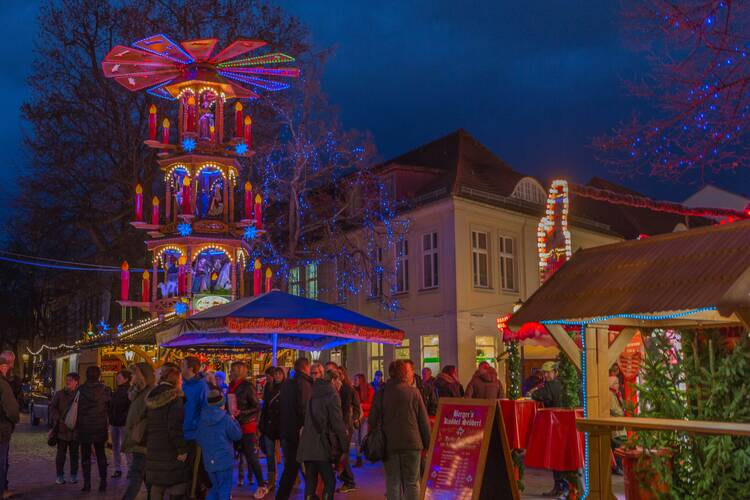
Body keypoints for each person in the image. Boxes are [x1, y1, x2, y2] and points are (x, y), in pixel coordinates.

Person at [369, 360, 431, 500]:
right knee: (412, 482)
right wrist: (428, 444)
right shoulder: (413, 393)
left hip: (389, 444)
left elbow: (372, 420)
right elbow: (423, 421)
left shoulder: (381, 394)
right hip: (412, 444)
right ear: (404, 373)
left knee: (393, 482)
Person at [297, 368, 348, 500]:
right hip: (321, 444)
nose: (340, 384)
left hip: (307, 444)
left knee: (310, 481)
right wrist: (344, 445)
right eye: (338, 380)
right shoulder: (332, 395)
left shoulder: (313, 392)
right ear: (332, 380)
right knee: (330, 481)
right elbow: (338, 424)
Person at [145, 362, 189, 499]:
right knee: (178, 482)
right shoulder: (175, 399)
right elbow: (174, 427)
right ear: (176, 379)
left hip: (154, 447)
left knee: (157, 484)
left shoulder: (151, 396)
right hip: (169, 448)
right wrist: (182, 449)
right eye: (180, 378)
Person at [228, 361, 268, 497]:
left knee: (251, 456)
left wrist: (241, 412)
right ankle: (226, 488)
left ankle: (261, 485)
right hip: (234, 424)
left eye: (233, 370)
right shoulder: (232, 385)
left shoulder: (247, 386)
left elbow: (256, 407)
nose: (230, 372)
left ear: (239, 371)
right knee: (231, 455)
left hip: (246, 425)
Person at [276, 357, 314, 500]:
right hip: (298, 433)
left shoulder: (287, 384)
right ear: (306, 368)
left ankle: (283, 495)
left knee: (291, 468)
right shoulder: (304, 385)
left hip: (287, 431)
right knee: (302, 469)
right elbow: (304, 410)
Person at [196, 387, 243, 500]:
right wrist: (234, 421)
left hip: (209, 460)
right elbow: (237, 435)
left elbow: (199, 438)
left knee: (215, 488)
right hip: (224, 460)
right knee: (224, 489)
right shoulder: (226, 419)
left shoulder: (202, 419)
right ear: (221, 404)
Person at [529, 361, 566, 497]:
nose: (545, 375)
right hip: (563, 426)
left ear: (555, 373)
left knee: (556, 457)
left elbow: (542, 395)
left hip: (555, 426)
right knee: (561, 457)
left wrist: (533, 393)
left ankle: (559, 486)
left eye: (548, 372)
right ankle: (564, 486)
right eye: (544, 372)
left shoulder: (551, 385)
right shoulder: (563, 384)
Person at [122, 362, 156, 500]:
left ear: (142, 375)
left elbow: (149, 418)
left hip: (142, 441)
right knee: (147, 477)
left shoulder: (149, 393)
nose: (132, 376)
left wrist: (142, 436)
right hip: (138, 439)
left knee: (136, 476)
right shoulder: (138, 392)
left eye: (135, 373)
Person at [76, 365, 112, 492]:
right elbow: (109, 408)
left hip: (84, 427)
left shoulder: (80, 390)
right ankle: (103, 482)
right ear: (99, 376)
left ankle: (87, 484)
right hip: (99, 427)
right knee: (101, 455)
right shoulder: (105, 390)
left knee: (85, 457)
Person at [180, 356, 209, 498]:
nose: (180, 368)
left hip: (194, 434)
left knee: (194, 471)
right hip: (183, 432)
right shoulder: (181, 384)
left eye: (183, 365)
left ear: (191, 368)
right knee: (185, 471)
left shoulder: (201, 386)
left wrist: (195, 424)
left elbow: (206, 408)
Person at [330, 364, 359, 494]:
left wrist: (353, 419)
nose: (338, 377)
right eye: (336, 375)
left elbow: (351, 407)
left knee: (343, 454)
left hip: (345, 426)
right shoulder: (336, 389)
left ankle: (349, 481)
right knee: (340, 453)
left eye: (340, 374)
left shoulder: (347, 389)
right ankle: (345, 478)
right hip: (340, 425)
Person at [49, 372, 79, 485]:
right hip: (62, 430)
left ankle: (74, 475)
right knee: (61, 454)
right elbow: (52, 408)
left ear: (76, 382)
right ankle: (60, 476)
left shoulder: (80, 395)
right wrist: (59, 419)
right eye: (67, 379)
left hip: (75, 430)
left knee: (74, 454)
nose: (67, 381)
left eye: (70, 380)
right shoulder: (59, 394)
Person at [259, 367, 284, 491]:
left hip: (282, 425)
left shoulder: (287, 388)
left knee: (289, 453)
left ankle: (292, 477)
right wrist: (262, 424)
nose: (277, 376)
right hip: (270, 425)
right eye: (276, 374)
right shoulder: (269, 388)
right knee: (269, 453)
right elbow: (265, 408)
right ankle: (271, 480)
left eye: (280, 374)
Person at [0, 355, 19, 499]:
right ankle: (2, 491)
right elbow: (12, 410)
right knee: (1, 461)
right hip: (1, 429)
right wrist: (14, 420)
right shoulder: (3, 384)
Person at [109, 368, 132, 479]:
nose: (117, 379)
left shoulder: (129, 391)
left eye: (119, 378)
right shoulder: (117, 390)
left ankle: (130, 469)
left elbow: (129, 407)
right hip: (114, 422)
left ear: (126, 379)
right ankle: (118, 468)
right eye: (117, 378)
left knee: (125, 446)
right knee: (115, 446)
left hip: (123, 423)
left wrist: (124, 417)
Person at [352, 373, 373, 468]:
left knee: (363, 437)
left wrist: (361, 406)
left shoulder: (369, 390)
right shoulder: (353, 390)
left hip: (365, 417)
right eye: (354, 379)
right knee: (357, 438)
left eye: (356, 379)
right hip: (355, 418)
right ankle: (359, 458)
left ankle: (367, 453)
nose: (354, 381)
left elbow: (372, 405)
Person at [609, 376, 626, 476]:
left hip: (619, 423)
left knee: (620, 444)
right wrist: (621, 414)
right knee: (617, 445)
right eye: (616, 383)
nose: (618, 385)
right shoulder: (610, 394)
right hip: (616, 424)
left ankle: (619, 466)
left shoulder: (616, 394)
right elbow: (613, 409)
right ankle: (618, 467)